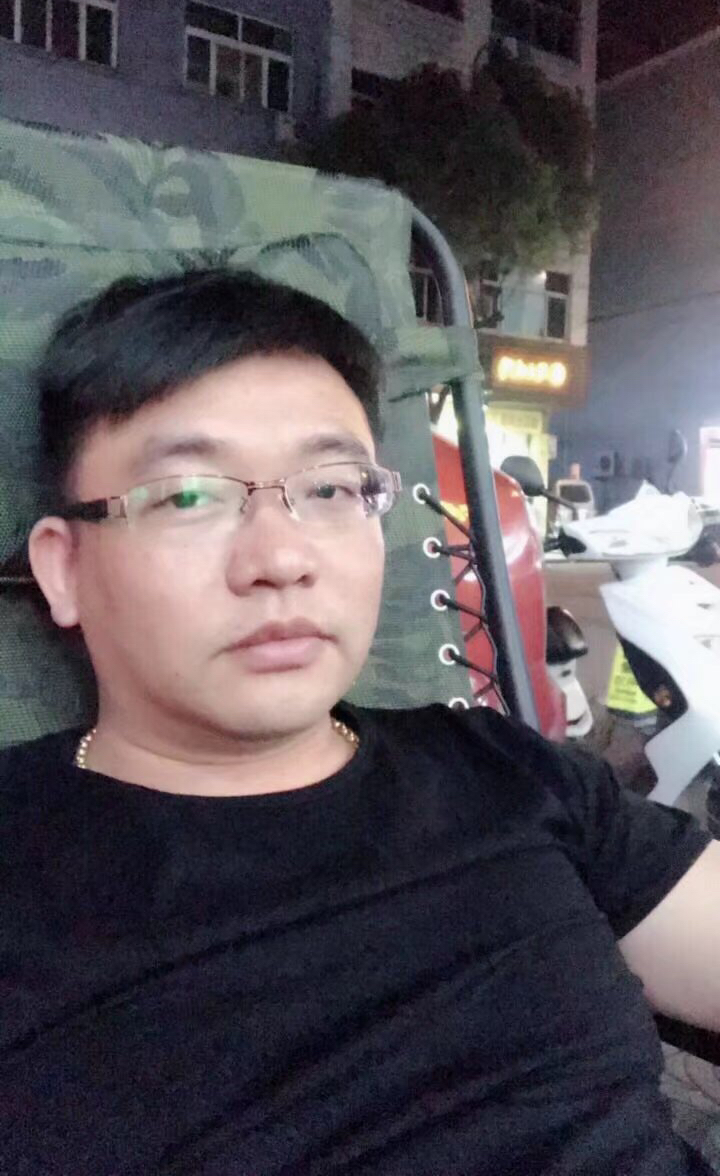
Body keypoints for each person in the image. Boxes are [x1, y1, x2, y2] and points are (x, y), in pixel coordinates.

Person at [2, 269, 719, 1176]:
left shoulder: (501, 768)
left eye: (334, 490)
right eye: (187, 495)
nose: (281, 557)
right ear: (63, 570)